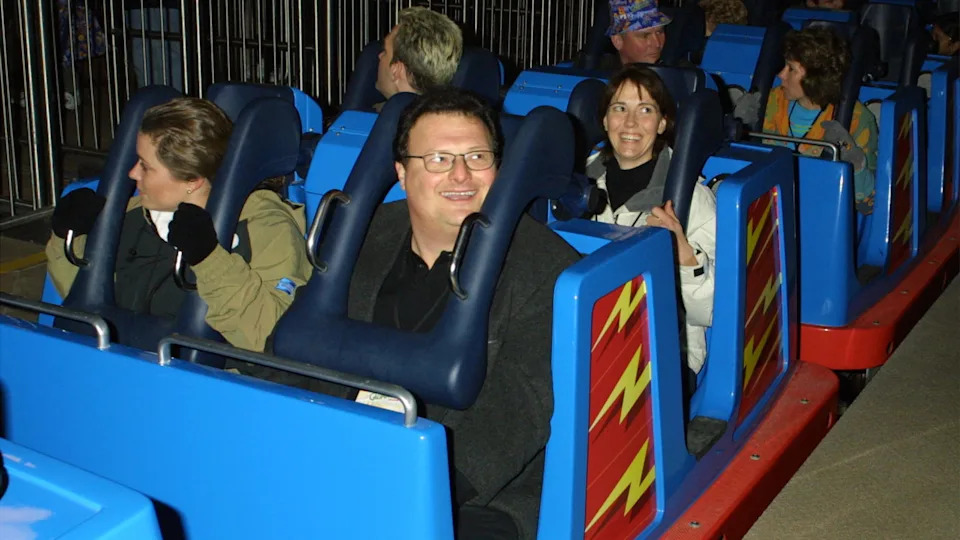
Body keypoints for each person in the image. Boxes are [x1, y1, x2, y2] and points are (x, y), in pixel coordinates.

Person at [45, 97, 312, 352]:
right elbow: (82, 301)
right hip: (129, 364)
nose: (132, 173)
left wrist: (210, 259)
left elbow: (267, 332)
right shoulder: (130, 215)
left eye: (145, 166)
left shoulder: (266, 228)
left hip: (210, 382)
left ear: (192, 180)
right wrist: (66, 237)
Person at [586, 65, 716, 387]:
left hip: (664, 346)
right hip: (589, 337)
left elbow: (715, 311)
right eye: (620, 109)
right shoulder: (577, 185)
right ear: (605, 120)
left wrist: (684, 255)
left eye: (645, 110)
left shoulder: (691, 199)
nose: (630, 123)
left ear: (661, 123)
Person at [737, 27, 879, 214]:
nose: (781, 75)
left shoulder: (856, 119)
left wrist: (854, 162)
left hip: (823, 213)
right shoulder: (768, 102)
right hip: (768, 210)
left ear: (815, 78)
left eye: (791, 69)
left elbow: (868, 204)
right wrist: (738, 127)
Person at [375, 7, 463, 101]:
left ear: (396, 71)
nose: (379, 56)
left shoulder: (376, 114)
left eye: (385, 51)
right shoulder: (456, 113)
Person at [606, 0, 673, 65]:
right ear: (618, 41)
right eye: (645, 36)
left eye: (660, 32)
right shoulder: (601, 72)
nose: (657, 44)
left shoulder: (676, 72)